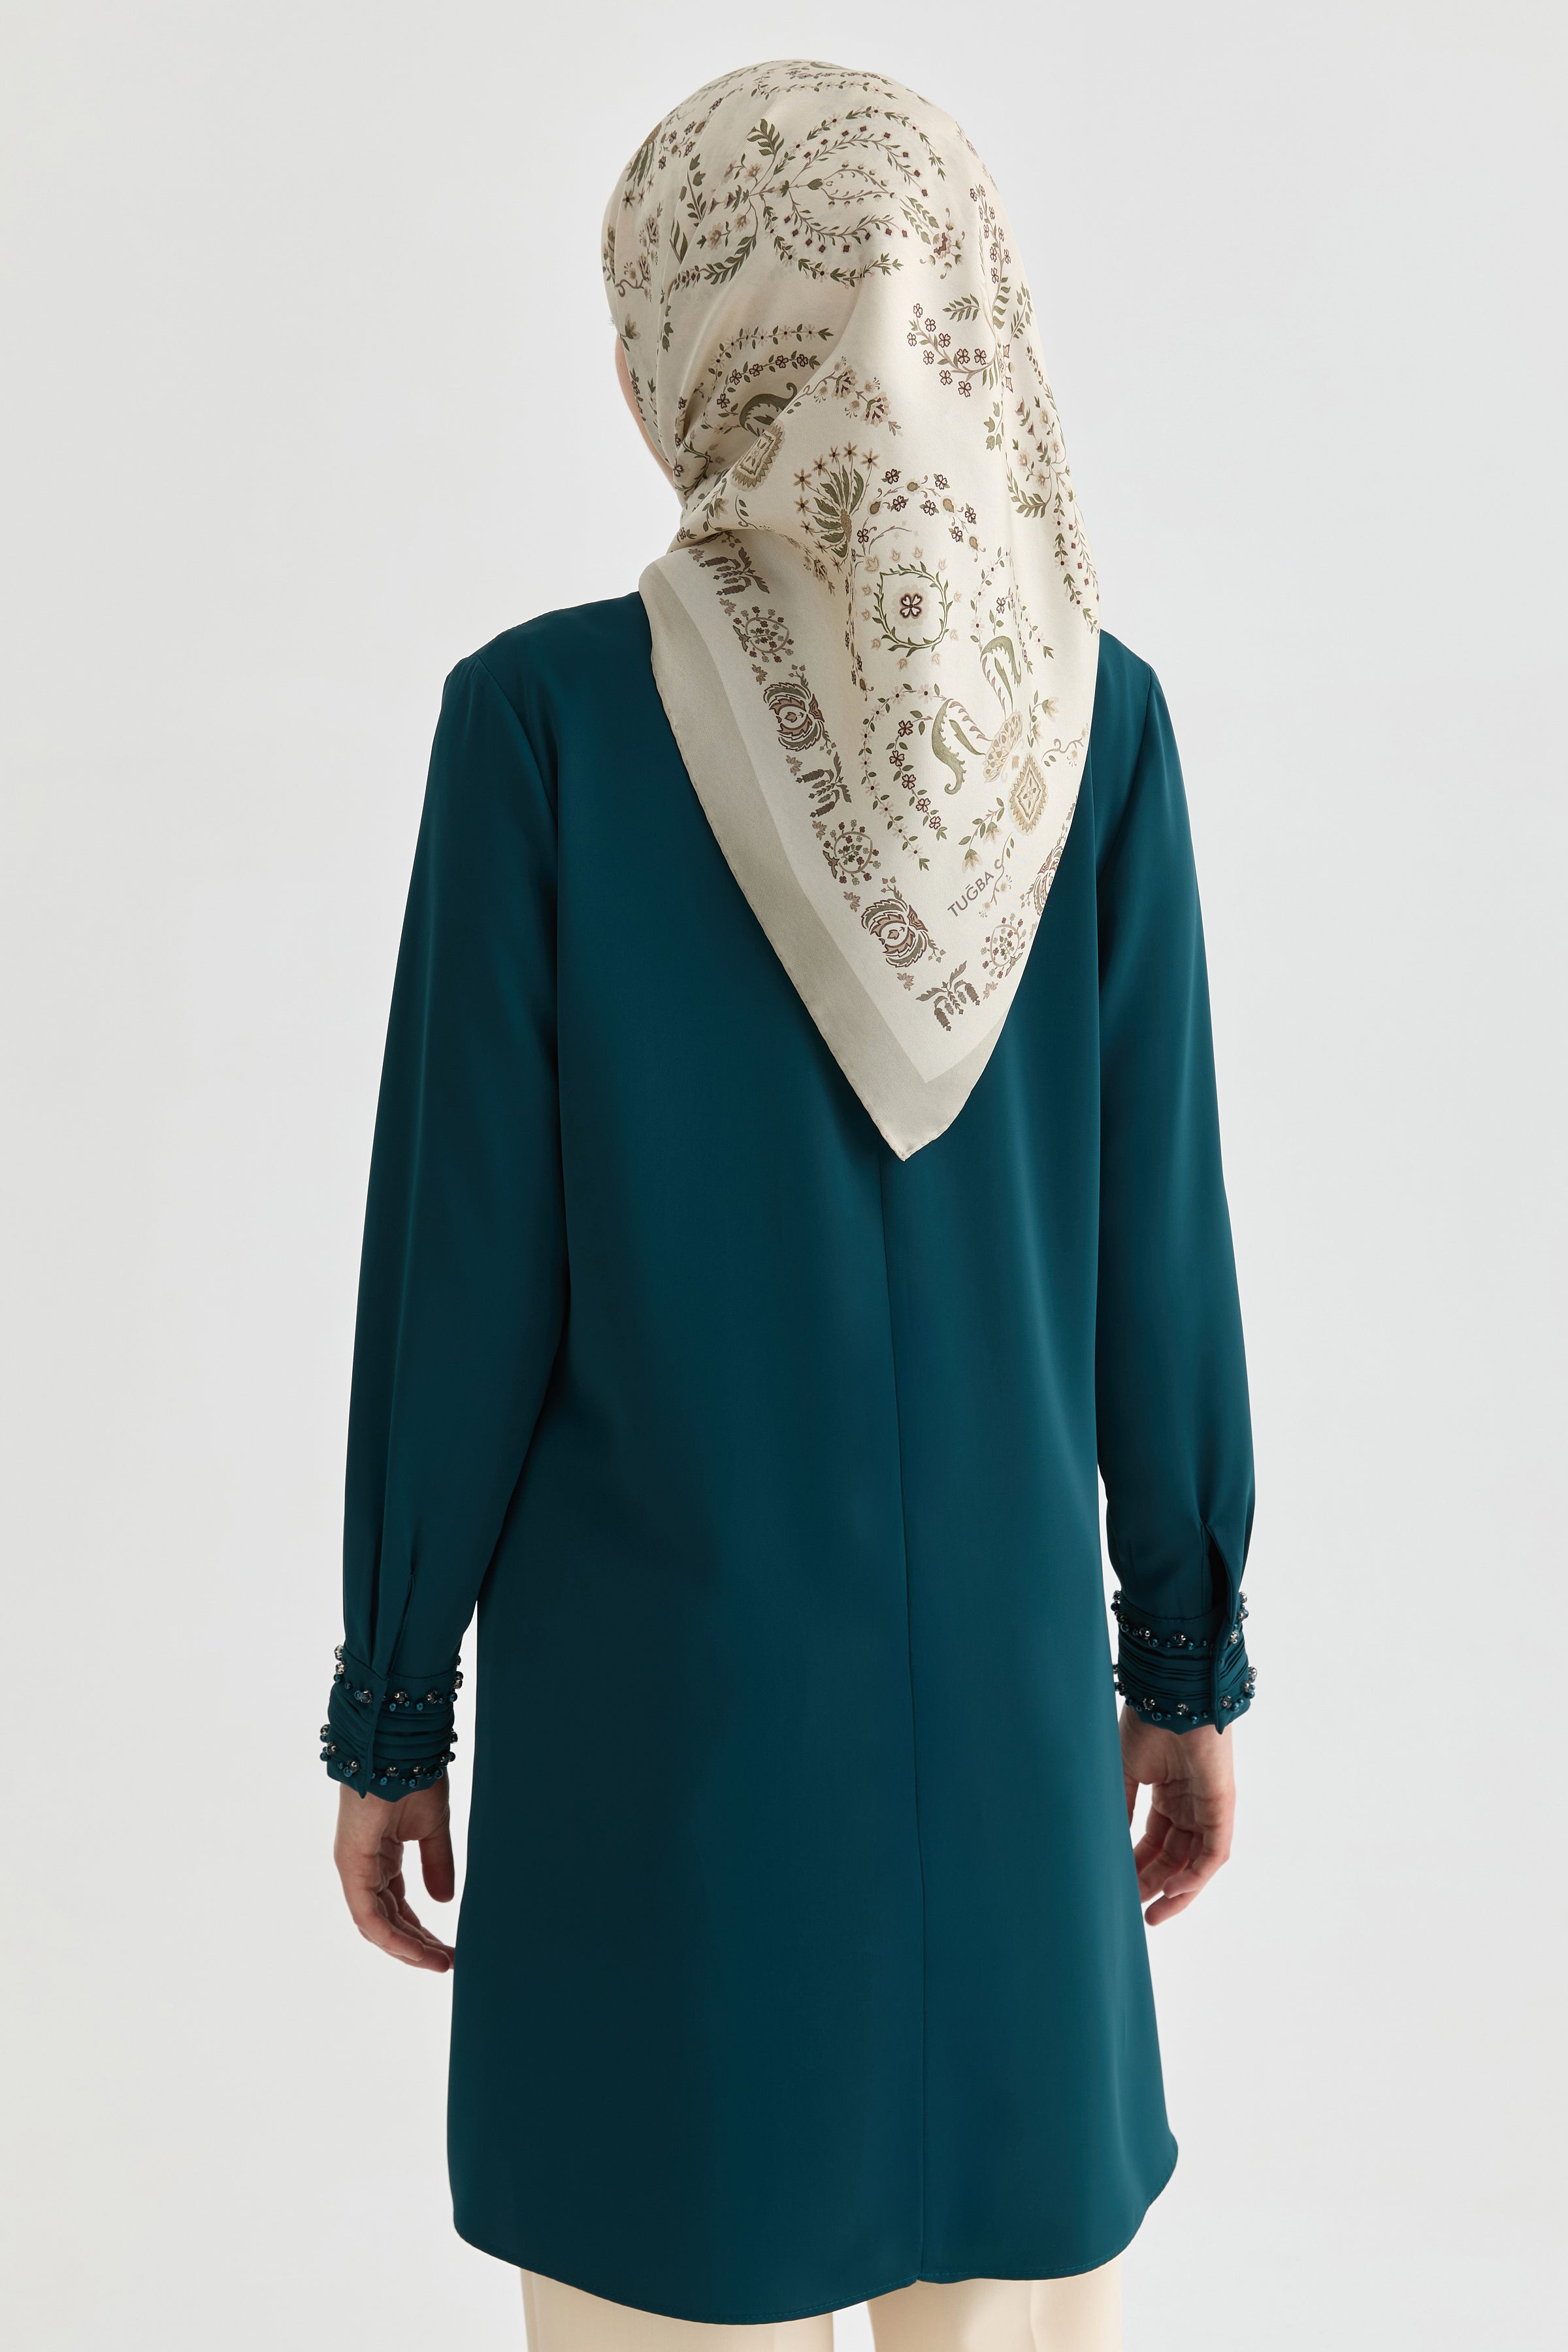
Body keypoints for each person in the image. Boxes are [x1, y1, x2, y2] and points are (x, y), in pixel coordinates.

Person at [324, 60, 1254, 2352]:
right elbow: (1159, 1253)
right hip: (1011, 1755)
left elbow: (462, 1275)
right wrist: (1177, 1660)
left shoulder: (545, 728)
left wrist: (394, 1706)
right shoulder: (1093, 731)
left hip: (667, 1767)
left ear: (685, 340)